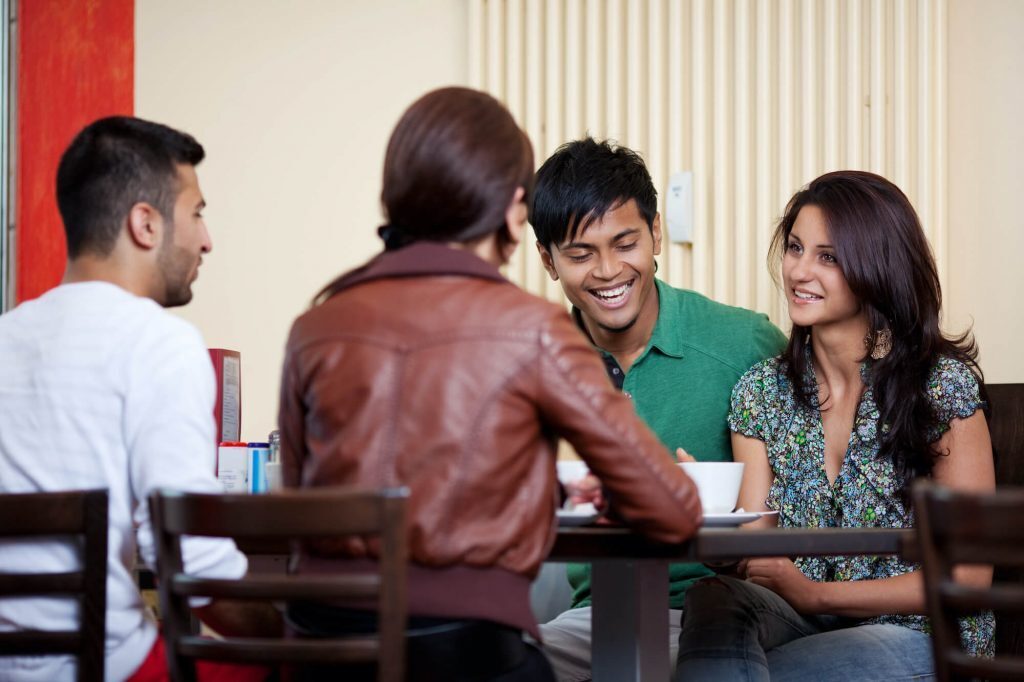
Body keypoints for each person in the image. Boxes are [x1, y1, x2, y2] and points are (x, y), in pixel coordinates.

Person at [276, 87, 702, 682]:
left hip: (321, 655)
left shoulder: (315, 325)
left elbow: (302, 505)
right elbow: (673, 511)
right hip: (462, 656)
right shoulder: (533, 329)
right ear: (513, 209)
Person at [674, 170, 996, 680]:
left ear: (877, 268)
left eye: (828, 257)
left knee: (732, 669)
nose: (800, 271)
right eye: (795, 248)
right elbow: (755, 554)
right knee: (715, 598)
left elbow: (969, 576)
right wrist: (707, 525)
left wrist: (816, 593)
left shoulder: (940, 388)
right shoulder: (760, 393)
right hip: (806, 623)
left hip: (920, 635)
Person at [0, 116, 279, 681]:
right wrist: (286, 634)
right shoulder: (161, 344)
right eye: (196, 213)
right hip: (108, 668)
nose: (206, 239)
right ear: (145, 224)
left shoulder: (5, 337)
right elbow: (190, 558)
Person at [530, 137, 787, 680]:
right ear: (548, 261)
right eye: (579, 254)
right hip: (594, 615)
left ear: (656, 234)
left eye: (625, 243)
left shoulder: (743, 343)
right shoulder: (536, 364)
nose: (607, 271)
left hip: (712, 615)